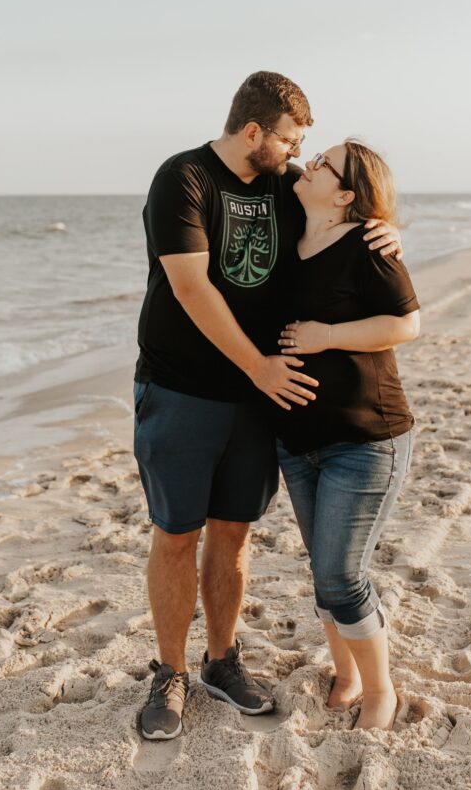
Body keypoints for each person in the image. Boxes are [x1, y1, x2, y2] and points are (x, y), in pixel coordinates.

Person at [133, 72, 402, 740]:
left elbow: (346, 214)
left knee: (233, 532)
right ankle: (169, 674)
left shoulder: (286, 187)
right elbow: (192, 289)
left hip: (258, 403)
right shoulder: (184, 178)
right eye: (288, 138)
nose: (296, 153)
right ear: (253, 131)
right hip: (181, 389)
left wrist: (389, 238)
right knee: (176, 533)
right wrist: (258, 368)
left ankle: (221, 661)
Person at [271, 140, 420, 731]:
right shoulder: (290, 231)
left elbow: (407, 323)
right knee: (323, 568)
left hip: (364, 439)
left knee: (340, 573)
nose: (308, 165)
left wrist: (326, 336)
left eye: (322, 164)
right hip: (296, 438)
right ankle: (348, 673)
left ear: (346, 195)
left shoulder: (368, 244)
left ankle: (380, 690)